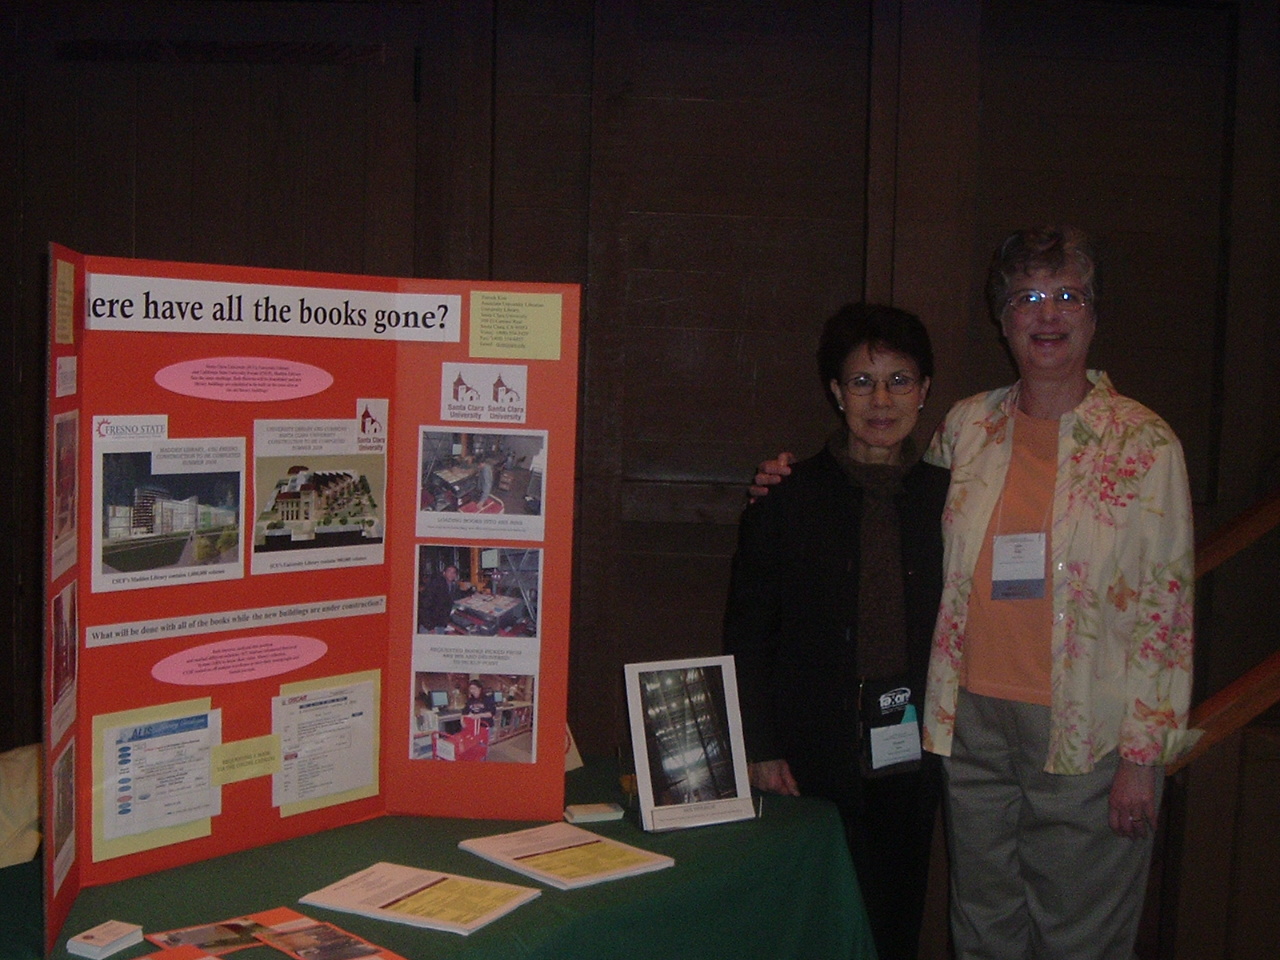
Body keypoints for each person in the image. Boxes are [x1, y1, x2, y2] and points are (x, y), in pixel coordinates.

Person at [752, 227, 1197, 960]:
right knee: (984, 927)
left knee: (1078, 935)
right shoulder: (968, 427)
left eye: (1066, 295)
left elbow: (1166, 611)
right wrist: (784, 483)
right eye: (1027, 298)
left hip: (1087, 729)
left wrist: (1144, 757)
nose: (1047, 314)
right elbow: (887, 501)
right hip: (969, 725)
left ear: (1093, 314)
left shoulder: (1145, 445)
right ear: (1003, 319)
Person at [724, 303, 948, 960]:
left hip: (911, 747)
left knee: (892, 924)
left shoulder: (952, 500)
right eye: (862, 382)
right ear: (836, 392)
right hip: (804, 754)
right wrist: (760, 746)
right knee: (804, 923)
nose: (881, 400)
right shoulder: (786, 498)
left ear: (924, 390)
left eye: (899, 381)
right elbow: (746, 633)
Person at [418, 563, 460, 632]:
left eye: (454, 572)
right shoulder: (436, 584)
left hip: (440, 624)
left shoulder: (451, 586)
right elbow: (424, 605)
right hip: (430, 625)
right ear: (444, 573)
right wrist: (429, 626)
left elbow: (457, 596)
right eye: (449, 571)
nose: (451, 574)